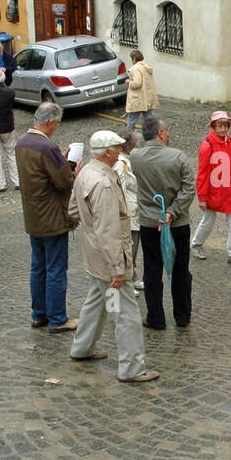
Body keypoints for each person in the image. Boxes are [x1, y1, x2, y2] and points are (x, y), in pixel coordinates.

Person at [68, 130, 159, 383]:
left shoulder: (85, 172)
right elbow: (108, 230)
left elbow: (73, 210)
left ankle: (82, 347)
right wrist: (117, 268)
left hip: (94, 253)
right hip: (110, 256)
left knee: (98, 299)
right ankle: (131, 368)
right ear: (107, 152)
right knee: (126, 313)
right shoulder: (105, 182)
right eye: (117, 148)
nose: (121, 151)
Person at [15, 101, 78, 330]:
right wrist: (72, 170)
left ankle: (38, 313)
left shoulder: (22, 142)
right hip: (52, 217)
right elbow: (63, 182)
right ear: (50, 122)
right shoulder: (47, 148)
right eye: (56, 124)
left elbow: (38, 172)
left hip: (33, 215)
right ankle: (58, 318)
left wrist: (58, 160)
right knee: (56, 269)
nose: (56, 128)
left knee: (38, 267)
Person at [130, 118, 194, 329]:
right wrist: (173, 212)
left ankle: (156, 317)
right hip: (176, 224)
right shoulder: (177, 157)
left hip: (149, 222)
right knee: (180, 269)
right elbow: (188, 188)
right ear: (161, 132)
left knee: (152, 270)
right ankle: (182, 316)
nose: (168, 135)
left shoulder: (135, 156)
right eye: (166, 131)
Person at [192, 110, 231, 266]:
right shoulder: (207, 146)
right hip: (214, 191)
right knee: (208, 221)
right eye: (219, 126)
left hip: (229, 190)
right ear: (213, 127)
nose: (222, 129)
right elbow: (202, 173)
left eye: (225, 126)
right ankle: (196, 244)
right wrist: (202, 197)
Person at [113, 130, 143, 291]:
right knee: (129, 250)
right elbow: (121, 191)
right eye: (137, 145)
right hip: (129, 214)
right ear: (129, 147)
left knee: (134, 249)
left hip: (134, 212)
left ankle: (133, 277)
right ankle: (127, 282)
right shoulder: (121, 164)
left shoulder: (127, 161)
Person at [125, 49, 158, 131]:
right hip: (147, 98)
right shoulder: (146, 67)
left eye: (132, 59)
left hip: (137, 99)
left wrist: (129, 82)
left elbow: (137, 83)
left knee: (131, 121)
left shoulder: (136, 68)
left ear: (134, 58)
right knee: (149, 120)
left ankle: (128, 139)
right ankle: (152, 137)